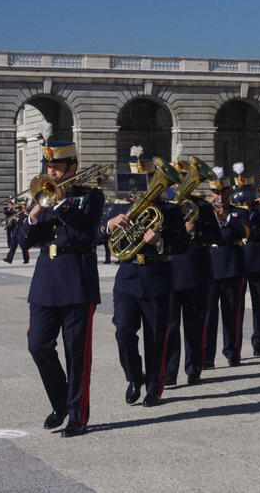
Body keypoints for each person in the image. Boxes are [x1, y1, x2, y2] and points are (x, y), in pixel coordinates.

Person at [21, 138, 103, 437]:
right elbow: (23, 240)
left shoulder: (91, 196)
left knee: (76, 352)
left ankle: (77, 415)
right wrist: (32, 216)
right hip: (46, 280)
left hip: (77, 279)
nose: (51, 173)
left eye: (56, 167)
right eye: (48, 167)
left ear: (72, 167)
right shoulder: (40, 198)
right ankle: (60, 403)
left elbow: (86, 232)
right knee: (38, 345)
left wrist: (61, 204)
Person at [106, 156, 189, 407]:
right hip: (127, 277)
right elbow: (99, 235)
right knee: (123, 332)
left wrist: (160, 242)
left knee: (156, 336)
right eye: (135, 181)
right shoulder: (118, 205)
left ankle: (155, 386)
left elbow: (184, 245)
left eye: (146, 180)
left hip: (156, 276)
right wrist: (110, 224)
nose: (139, 186)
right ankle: (134, 377)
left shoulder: (170, 208)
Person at [164, 155, 221, 387]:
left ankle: (194, 369)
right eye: (178, 180)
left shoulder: (203, 206)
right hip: (170, 268)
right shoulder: (165, 205)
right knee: (170, 324)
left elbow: (217, 236)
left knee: (195, 323)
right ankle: (168, 372)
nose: (182, 185)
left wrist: (196, 228)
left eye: (187, 179)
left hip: (196, 268)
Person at [203, 166, 248, 368]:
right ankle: (206, 356)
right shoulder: (204, 211)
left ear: (230, 192)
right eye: (215, 192)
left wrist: (226, 218)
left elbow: (247, 232)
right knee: (209, 313)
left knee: (232, 312)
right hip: (210, 265)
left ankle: (233, 351)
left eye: (223, 192)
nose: (219, 196)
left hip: (232, 264)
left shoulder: (238, 212)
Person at [233, 164, 260, 356]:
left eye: (244, 191)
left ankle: (259, 340)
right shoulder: (232, 209)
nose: (242, 196)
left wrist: (252, 207)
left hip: (256, 258)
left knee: (259, 302)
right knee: (237, 306)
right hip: (239, 259)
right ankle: (235, 346)